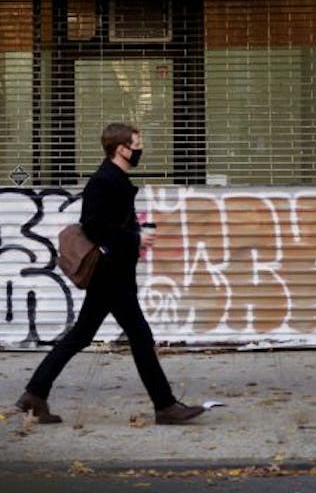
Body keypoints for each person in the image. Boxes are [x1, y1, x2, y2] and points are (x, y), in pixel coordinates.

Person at [17, 123, 205, 425]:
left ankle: (34, 394)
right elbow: (92, 226)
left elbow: (111, 224)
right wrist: (134, 239)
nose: (141, 148)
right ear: (122, 149)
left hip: (114, 274)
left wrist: (135, 233)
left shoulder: (114, 179)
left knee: (81, 335)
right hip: (111, 275)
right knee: (140, 335)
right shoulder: (104, 181)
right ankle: (165, 405)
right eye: (137, 143)